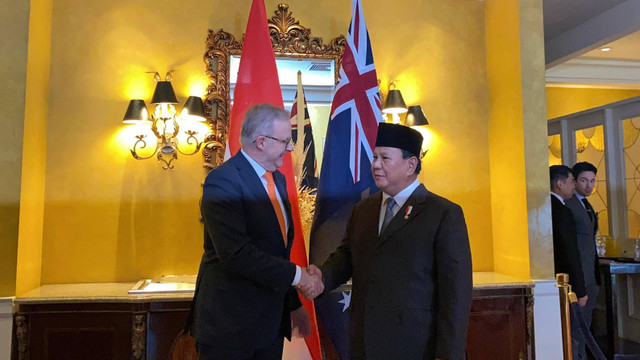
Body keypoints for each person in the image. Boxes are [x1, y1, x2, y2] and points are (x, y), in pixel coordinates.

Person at [302, 122, 473, 360]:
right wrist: (322, 277)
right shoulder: (364, 210)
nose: (375, 165)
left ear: (411, 164)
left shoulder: (442, 213)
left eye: (385, 158)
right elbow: (347, 257)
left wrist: (449, 355)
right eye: (374, 157)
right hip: (365, 344)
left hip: (416, 347)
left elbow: (456, 295)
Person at [191, 103, 319, 360]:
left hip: (269, 327)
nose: (291, 147)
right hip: (229, 329)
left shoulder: (278, 180)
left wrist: (292, 305)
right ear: (261, 142)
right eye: (286, 140)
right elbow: (236, 254)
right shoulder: (223, 181)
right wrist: (299, 276)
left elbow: (276, 251)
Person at [549, 165, 588, 359]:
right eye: (572, 180)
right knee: (569, 331)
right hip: (565, 282)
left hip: (551, 279)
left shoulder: (547, 206)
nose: (574, 185)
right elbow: (570, 253)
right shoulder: (561, 211)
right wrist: (580, 290)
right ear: (559, 183)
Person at [565, 162, 601, 358]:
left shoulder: (586, 204)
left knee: (584, 325)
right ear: (574, 180)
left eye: (592, 181)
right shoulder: (568, 204)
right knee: (576, 327)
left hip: (590, 272)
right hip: (580, 273)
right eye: (584, 180)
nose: (589, 186)